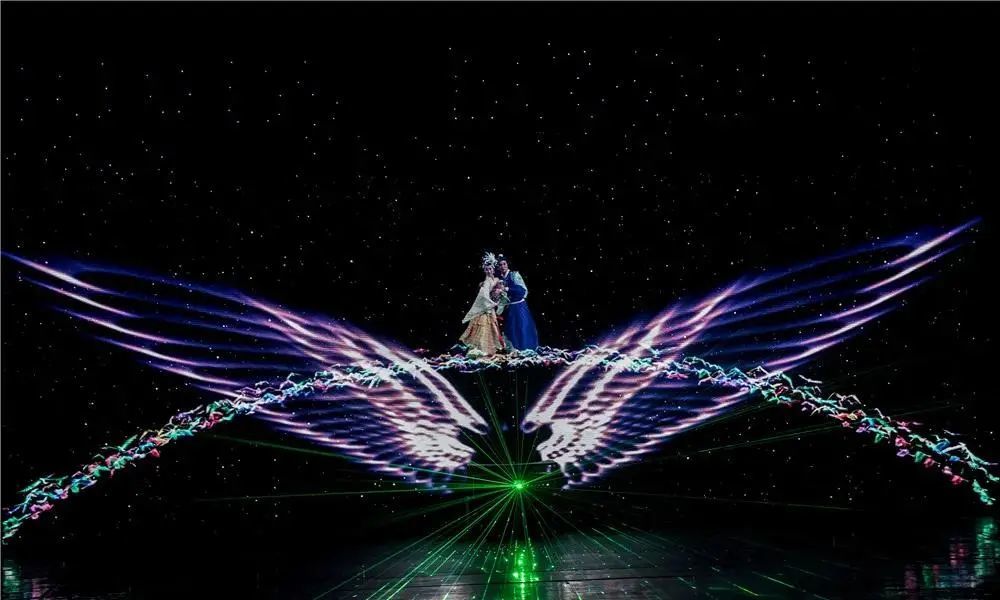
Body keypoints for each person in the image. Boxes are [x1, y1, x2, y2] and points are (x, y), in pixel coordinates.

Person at [459, 252, 506, 355]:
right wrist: (493, 303)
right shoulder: (486, 282)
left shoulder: (496, 279)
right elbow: (484, 296)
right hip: (485, 309)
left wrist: (499, 294)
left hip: (490, 308)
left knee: (491, 329)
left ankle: (490, 351)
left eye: (490, 269)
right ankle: (481, 351)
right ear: (484, 270)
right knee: (483, 329)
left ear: (493, 269)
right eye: (486, 269)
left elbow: (500, 291)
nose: (489, 271)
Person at [496, 254, 539, 351]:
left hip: (519, 307)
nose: (502, 266)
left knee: (522, 328)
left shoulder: (514, 275)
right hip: (509, 308)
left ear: (507, 264)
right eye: (500, 265)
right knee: (512, 330)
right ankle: (515, 350)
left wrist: (506, 289)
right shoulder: (499, 279)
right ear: (498, 267)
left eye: (504, 264)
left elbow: (522, 291)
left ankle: (526, 349)